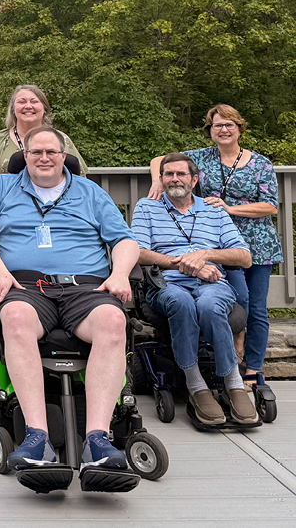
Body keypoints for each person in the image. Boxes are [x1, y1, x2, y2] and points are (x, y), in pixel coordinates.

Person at [0, 127, 138, 479]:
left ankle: (98, 440)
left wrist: (120, 273)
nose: (44, 158)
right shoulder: (2, 187)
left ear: (63, 156)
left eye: (51, 152)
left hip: (85, 287)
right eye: (36, 152)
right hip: (25, 285)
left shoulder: (90, 191)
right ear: (25, 156)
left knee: (113, 321)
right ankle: (37, 438)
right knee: (14, 317)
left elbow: (124, 241)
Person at [147, 105, 282, 385]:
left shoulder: (260, 164)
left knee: (257, 307)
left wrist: (229, 209)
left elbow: (270, 206)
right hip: (216, 242)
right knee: (235, 298)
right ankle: (230, 350)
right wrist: (158, 182)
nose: (223, 130)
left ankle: (254, 368)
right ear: (210, 131)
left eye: (229, 124)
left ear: (239, 128)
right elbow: (160, 159)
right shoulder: (202, 157)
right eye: (217, 125)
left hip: (256, 243)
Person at [134, 152, 258, 426]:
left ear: (194, 179)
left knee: (209, 305)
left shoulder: (213, 210)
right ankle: (196, 385)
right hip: (166, 283)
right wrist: (185, 264)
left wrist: (205, 255)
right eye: (168, 174)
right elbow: (138, 252)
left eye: (181, 174)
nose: (174, 179)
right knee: (181, 302)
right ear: (161, 179)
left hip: (212, 283)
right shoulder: (147, 207)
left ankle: (233, 383)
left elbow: (244, 256)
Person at [0, 85, 86, 193]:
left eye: (34, 101)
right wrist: (20, 193)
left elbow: (82, 180)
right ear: (13, 109)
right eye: (22, 102)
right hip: (9, 204)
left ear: (44, 108)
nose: (28, 106)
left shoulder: (61, 139)